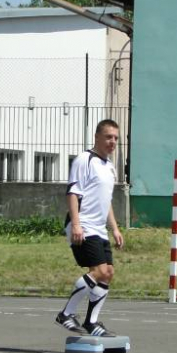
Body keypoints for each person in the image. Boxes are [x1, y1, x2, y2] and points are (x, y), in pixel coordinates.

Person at [54, 119, 124, 337]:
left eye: (116, 138)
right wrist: (76, 224)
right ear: (97, 137)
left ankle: (91, 323)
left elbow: (106, 201)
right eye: (108, 137)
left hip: (99, 228)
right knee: (99, 271)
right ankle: (66, 313)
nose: (112, 141)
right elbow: (73, 193)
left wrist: (114, 228)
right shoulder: (85, 160)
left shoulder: (109, 167)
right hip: (83, 224)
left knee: (108, 273)